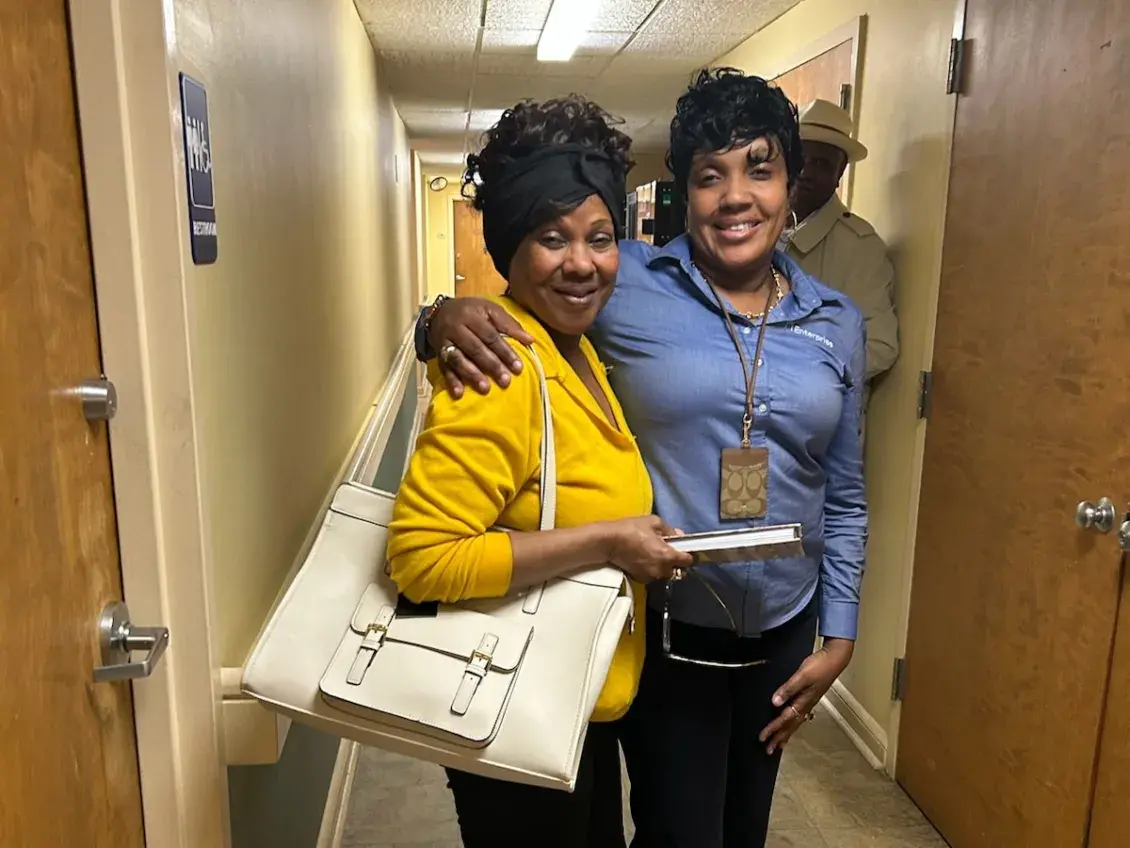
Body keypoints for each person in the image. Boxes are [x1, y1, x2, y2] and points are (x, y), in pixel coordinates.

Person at [415, 69, 868, 848]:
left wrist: (841, 635)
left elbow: (847, 491)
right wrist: (439, 318)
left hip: (785, 635)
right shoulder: (626, 283)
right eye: (708, 176)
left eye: (760, 169)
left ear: (793, 185)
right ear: (683, 193)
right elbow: (532, 282)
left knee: (744, 832)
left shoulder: (839, 322)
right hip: (665, 633)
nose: (735, 197)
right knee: (676, 830)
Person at [386, 95, 693, 848]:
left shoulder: (573, 349)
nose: (582, 263)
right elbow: (423, 560)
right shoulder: (502, 370)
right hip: (511, 712)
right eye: (552, 239)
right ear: (508, 248)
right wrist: (613, 544)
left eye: (600, 237)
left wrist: (435, 317)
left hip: (571, 706)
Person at [786, 98, 899, 392]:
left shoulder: (860, 247)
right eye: (800, 160)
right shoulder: (764, 229)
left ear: (840, 173)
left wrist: (810, 370)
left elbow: (880, 344)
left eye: (821, 164)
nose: (806, 172)